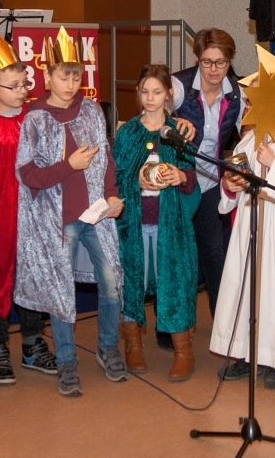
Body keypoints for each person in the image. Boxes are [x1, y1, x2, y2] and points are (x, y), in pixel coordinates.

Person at [15, 26, 126, 397]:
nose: (71, 83)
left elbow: (105, 158)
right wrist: (69, 166)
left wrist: (112, 195)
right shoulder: (35, 118)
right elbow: (28, 174)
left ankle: (108, 348)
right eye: (64, 76)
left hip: (95, 215)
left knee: (111, 281)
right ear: (48, 77)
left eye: (76, 76)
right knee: (61, 291)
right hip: (58, 221)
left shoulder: (91, 110)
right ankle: (66, 362)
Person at [0, 35, 58, 385]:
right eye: (14, 86)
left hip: (35, 214)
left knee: (33, 277)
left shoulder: (36, 118)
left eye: (25, 84)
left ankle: (33, 343)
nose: (22, 91)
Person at [209, 95, 275, 390]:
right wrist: (230, 185)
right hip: (249, 223)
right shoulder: (248, 139)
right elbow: (235, 180)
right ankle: (248, 353)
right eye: (251, 100)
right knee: (247, 288)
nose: (252, 105)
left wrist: (273, 163)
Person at [114, 64, 201, 381]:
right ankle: (133, 345)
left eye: (157, 92)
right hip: (134, 224)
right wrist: (133, 181)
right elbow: (115, 179)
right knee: (132, 281)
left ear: (168, 95)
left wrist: (180, 176)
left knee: (173, 281)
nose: (150, 98)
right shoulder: (128, 133)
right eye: (144, 91)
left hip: (170, 225)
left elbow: (193, 179)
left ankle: (183, 351)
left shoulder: (178, 132)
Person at [171, 28, 245, 320]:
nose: (214, 69)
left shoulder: (237, 93)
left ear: (230, 61)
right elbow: (151, 120)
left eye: (221, 62)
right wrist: (172, 123)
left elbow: (246, 136)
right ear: (197, 59)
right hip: (178, 181)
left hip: (212, 180)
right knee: (178, 254)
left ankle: (223, 322)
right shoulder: (178, 86)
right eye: (207, 62)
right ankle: (172, 326)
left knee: (214, 252)